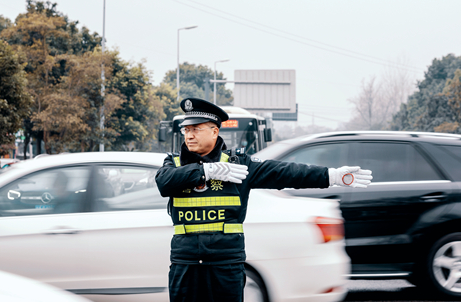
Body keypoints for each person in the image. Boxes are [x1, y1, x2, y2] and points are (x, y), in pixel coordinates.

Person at [156, 98, 372, 302]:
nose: (189, 135)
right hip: (185, 262)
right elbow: (164, 183)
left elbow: (285, 172)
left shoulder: (239, 165)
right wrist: (206, 170)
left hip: (226, 262)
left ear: (214, 131)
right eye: (186, 130)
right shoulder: (173, 163)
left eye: (196, 129)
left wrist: (331, 176)